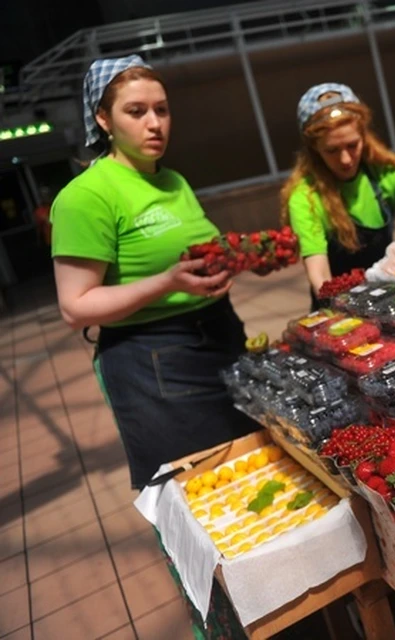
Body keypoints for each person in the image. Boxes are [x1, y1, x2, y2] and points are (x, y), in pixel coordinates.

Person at [50, 55, 260, 490]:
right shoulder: (87, 196)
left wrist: (231, 265)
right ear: (103, 119)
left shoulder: (173, 182)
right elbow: (75, 307)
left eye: (161, 109)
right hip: (153, 359)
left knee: (249, 472)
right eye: (136, 111)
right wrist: (168, 282)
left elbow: (196, 256)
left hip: (220, 336)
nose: (154, 123)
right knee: (198, 491)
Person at [281, 83, 395, 310]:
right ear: (314, 149)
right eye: (332, 150)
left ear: (364, 135)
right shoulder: (305, 197)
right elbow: (319, 274)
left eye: (352, 145)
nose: (345, 159)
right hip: (338, 306)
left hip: (389, 298)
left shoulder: (386, 174)